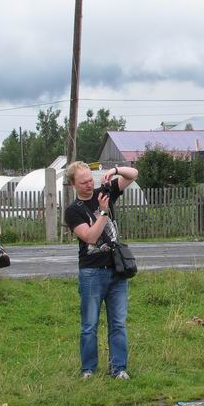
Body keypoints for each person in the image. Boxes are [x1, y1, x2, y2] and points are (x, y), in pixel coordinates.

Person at [64, 161, 139, 380]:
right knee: (89, 324)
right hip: (91, 273)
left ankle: (119, 368)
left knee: (118, 322)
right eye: (83, 182)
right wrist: (103, 212)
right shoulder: (73, 211)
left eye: (90, 180)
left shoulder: (105, 192)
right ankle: (88, 369)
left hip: (116, 270)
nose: (89, 185)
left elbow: (133, 174)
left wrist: (114, 171)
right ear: (73, 185)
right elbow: (90, 237)